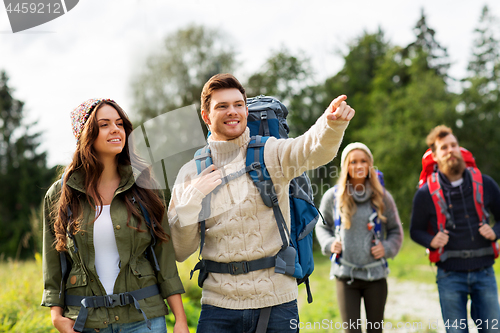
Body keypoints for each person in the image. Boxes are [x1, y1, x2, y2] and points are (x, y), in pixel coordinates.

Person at [167, 73, 355, 333]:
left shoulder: (271, 151)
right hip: (217, 307)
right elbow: (180, 250)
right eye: (222, 106)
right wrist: (192, 200)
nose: (232, 112)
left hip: (277, 303)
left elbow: (311, 149)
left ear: (245, 109)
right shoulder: (190, 173)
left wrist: (331, 124)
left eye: (238, 105)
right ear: (206, 116)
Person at [41, 99, 189, 333]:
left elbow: (164, 257)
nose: (115, 130)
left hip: (144, 320)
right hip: (86, 322)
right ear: (85, 134)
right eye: (105, 124)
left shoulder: (146, 186)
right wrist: (56, 316)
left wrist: (180, 320)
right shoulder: (60, 194)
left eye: (119, 123)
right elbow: (53, 261)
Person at [410, 125, 500, 333]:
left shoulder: (485, 183)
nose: (450, 150)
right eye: (443, 148)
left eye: (453, 145)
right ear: (435, 155)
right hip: (449, 275)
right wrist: (431, 241)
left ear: (460, 149)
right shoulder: (425, 194)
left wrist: (495, 231)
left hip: (484, 272)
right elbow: (415, 230)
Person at [315, 142, 403, 333]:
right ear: (346, 166)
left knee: (374, 330)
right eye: (353, 162)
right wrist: (330, 243)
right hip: (346, 275)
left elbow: (396, 230)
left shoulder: (382, 197)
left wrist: (386, 248)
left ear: (370, 165)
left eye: (363, 161)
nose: (359, 166)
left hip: (376, 276)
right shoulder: (333, 197)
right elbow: (322, 226)